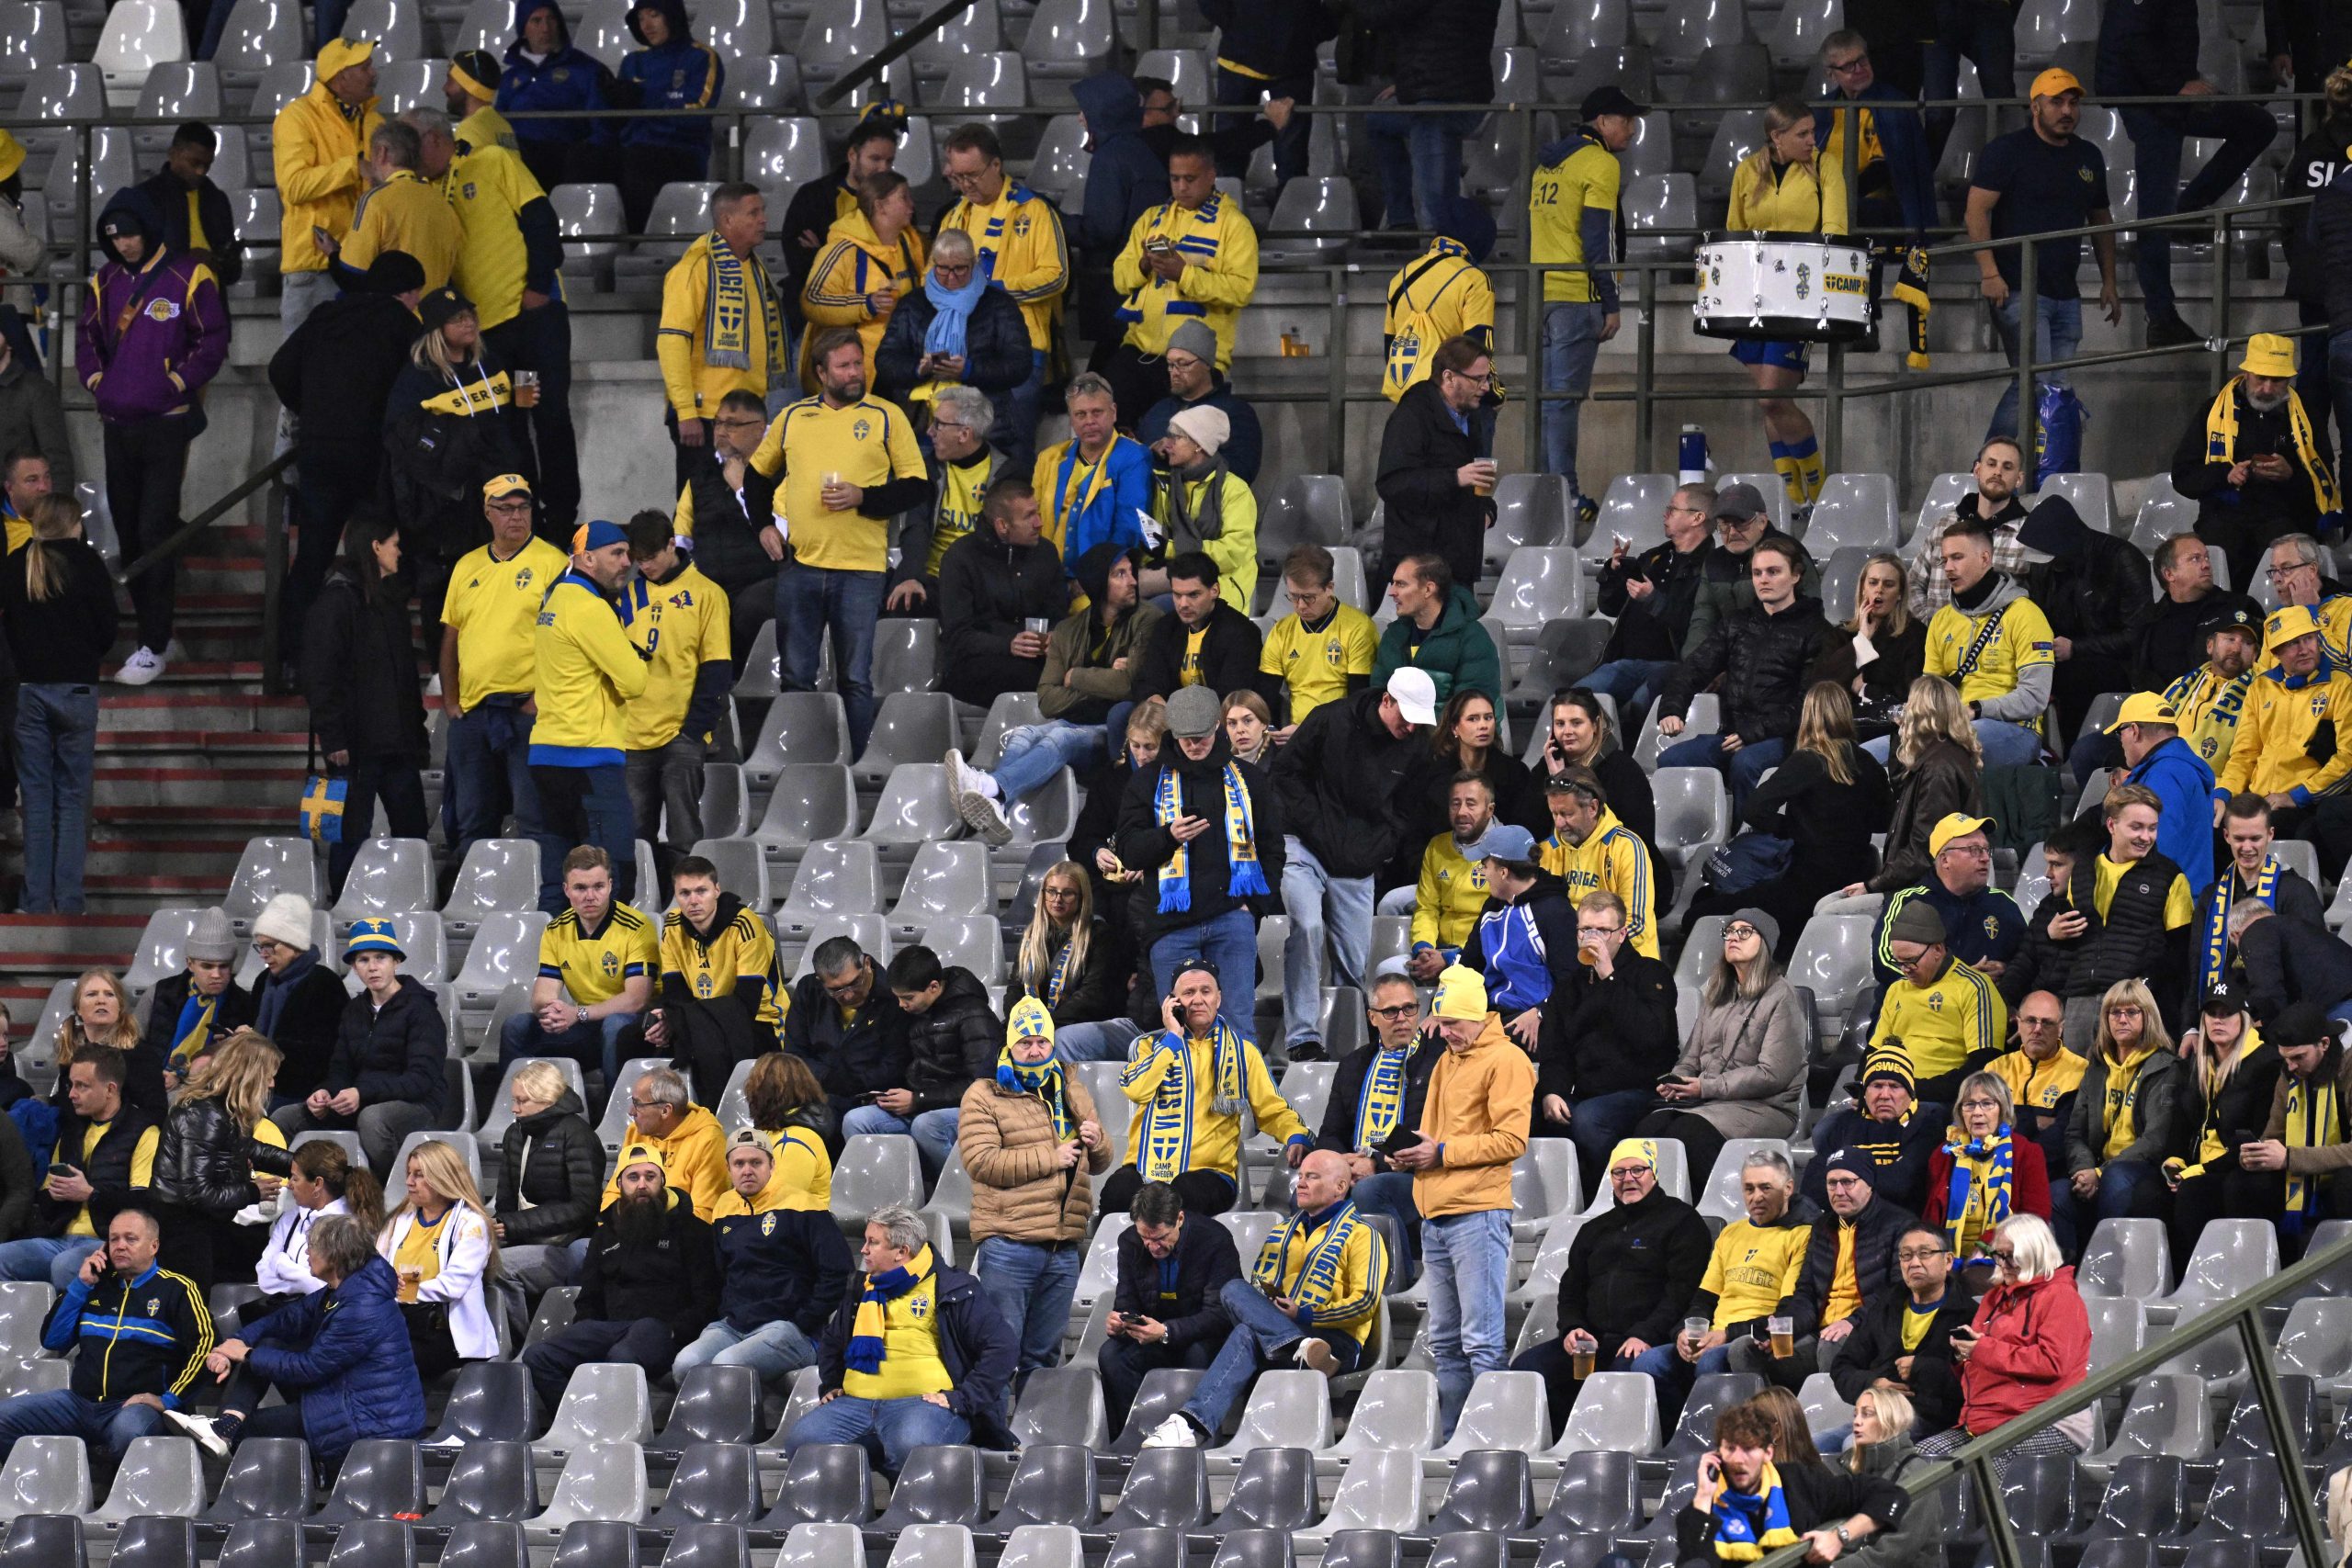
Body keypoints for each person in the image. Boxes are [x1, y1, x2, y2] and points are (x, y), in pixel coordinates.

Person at [748, 330, 930, 757]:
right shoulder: (793, 417)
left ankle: (857, 762)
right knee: (795, 674)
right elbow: (757, 475)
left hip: (861, 569)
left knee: (855, 678)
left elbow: (917, 486)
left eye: (858, 363)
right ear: (820, 373)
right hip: (800, 566)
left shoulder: (888, 416)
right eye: (845, 366)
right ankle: (801, 758)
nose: (856, 372)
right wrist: (763, 526)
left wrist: (864, 497)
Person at [78, 187, 225, 689]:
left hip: (165, 423)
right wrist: (99, 382)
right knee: (129, 531)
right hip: (118, 425)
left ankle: (154, 643)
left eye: (132, 234)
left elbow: (213, 340)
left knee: (155, 532)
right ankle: (150, 637)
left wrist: (176, 384)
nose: (125, 245)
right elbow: (87, 339)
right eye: (115, 238)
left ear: (150, 228)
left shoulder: (190, 275)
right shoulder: (104, 280)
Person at [1139, 1147, 1385, 1448]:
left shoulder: (1363, 1235)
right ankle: (1296, 1345)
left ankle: (1188, 1425)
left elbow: (1366, 1303)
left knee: (1243, 1324)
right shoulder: (1280, 1233)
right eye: (1301, 1175)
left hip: (1335, 1345)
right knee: (1234, 1292)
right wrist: (1270, 1304)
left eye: (1312, 1176)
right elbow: (1257, 1284)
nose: (1301, 1183)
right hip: (1282, 1337)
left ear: (1340, 1187)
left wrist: (1305, 1315)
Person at [412, 102, 575, 539]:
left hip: (532, 320)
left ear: (433, 139)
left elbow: (541, 218)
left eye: (414, 146)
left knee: (550, 417)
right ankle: (527, 520)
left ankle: (561, 517)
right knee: (511, 425)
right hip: (492, 333)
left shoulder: (492, 161)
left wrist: (538, 286)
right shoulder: (431, 188)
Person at [269, 253, 424, 672]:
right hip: (374, 456)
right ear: (408, 292)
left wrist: (313, 411)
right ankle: (379, 653)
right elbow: (418, 389)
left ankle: (291, 655)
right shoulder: (404, 324)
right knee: (380, 552)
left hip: (319, 450)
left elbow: (280, 367)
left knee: (313, 555)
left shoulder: (326, 315)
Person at [165, 1214, 424, 1468]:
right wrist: (230, 1347)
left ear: (334, 1256)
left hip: (370, 1419)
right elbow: (285, 1319)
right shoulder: (346, 1287)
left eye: (312, 1246)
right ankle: (225, 1425)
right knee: (269, 1344)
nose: (307, 1253)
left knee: (250, 1429)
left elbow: (309, 1368)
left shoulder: (362, 1306)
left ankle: (231, 1444)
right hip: (344, 1395)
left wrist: (246, 1354)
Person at [949, 544, 1159, 846]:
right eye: (1120, 574)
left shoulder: (1147, 619)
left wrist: (1076, 677)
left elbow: (1128, 685)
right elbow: (1047, 700)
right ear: (1100, 583)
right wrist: (1103, 681)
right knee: (1021, 733)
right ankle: (998, 805)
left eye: (1131, 572)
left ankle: (992, 785)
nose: (1133, 581)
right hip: (1073, 721)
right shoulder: (1068, 630)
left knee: (1060, 738)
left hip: (1112, 731)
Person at [1271, 668, 1433, 1059]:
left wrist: (1379, 845)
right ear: (1386, 701)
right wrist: (1317, 826)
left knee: (1354, 963)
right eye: (1405, 716)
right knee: (1305, 927)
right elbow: (1285, 774)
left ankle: (1353, 1047)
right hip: (1304, 844)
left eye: (1417, 720)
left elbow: (1411, 807)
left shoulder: (1417, 744)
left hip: (1358, 859)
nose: (1410, 727)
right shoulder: (1331, 718)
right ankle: (1302, 1038)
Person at [1114, 688, 1288, 1049]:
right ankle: (1189, 1106)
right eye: (1186, 739)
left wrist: (1253, 907)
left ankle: (1239, 1106)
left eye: (1202, 737)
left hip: (1231, 920)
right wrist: (1167, 836)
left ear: (1217, 728)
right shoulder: (1146, 782)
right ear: (1173, 736)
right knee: (1179, 1034)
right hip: (1170, 929)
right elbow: (1129, 852)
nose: (1195, 745)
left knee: (1239, 1028)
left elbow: (1273, 848)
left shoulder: (1249, 780)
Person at [1402, 964, 1536, 1435]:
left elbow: (1511, 1141)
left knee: (1481, 1341)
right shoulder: (1446, 1059)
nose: (1448, 1032)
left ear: (1478, 1015)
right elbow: (1436, 1136)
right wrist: (1414, 1154)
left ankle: (1493, 1441)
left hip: (1478, 1213)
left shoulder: (1507, 1061)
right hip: (1435, 1213)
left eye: (1455, 1023)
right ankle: (1457, 1439)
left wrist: (1439, 1153)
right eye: (1444, 1022)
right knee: (1445, 1341)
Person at [2097, 0, 2278, 347]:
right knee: (2155, 211)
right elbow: (2132, 38)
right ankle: (2161, 318)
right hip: (2147, 101)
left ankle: (2189, 210)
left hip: (2167, 96)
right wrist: (2177, 83)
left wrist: (2182, 83)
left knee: (2258, 124)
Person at [789, 1203, 1018, 1472]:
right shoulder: (860, 1289)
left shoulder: (952, 1287)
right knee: (802, 1442)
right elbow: (831, 1341)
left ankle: (910, 1511)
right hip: (855, 1403)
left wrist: (963, 1398)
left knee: (911, 1446)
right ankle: (845, 1513)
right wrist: (831, 1385)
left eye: (873, 1243)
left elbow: (1003, 1347)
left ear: (901, 1251)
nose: (863, 1250)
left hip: (923, 1405)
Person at [1511, 1136, 1710, 1434]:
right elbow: (1571, 1288)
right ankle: (1556, 1451)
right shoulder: (1594, 1229)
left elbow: (1682, 1292)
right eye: (1619, 1172)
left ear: (1653, 1173)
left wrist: (1645, 1334)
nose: (1628, 1179)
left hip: (1646, 1340)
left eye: (1637, 1170)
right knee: (1527, 1371)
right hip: (1591, 1341)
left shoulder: (1682, 1222)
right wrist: (1572, 1328)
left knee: (1621, 1383)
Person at [1965, 70, 2121, 441]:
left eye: (2073, 102)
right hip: (2016, 286)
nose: (2066, 110)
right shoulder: (2007, 151)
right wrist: (1989, 273)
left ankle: (2041, 474)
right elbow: (1975, 210)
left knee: (2056, 387)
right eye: (2057, 102)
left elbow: (2101, 220)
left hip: (2065, 291)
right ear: (2035, 107)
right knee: (2035, 382)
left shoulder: (2088, 156)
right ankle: (1989, 467)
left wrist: (2109, 281)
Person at [959, 999, 1112, 1374]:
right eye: (1025, 1042)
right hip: (1010, 1242)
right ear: (1010, 1046)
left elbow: (1101, 1163)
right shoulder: (984, 1093)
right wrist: (1050, 1157)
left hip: (1063, 1246)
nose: (1035, 1050)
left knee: (1044, 1358)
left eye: (1042, 1042)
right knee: (1000, 1353)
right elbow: (981, 1162)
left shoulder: (1071, 1088)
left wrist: (1099, 1142)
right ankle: (993, 1432)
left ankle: (1033, 1431)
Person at [1102, 959, 1311, 1216]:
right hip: (1146, 1168)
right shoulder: (1148, 1046)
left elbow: (1271, 1108)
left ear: (1218, 999)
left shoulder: (1243, 1053)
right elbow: (1137, 1090)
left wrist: (1295, 1135)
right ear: (1173, 1003)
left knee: (1181, 1194)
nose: (1198, 999)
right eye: (1188, 993)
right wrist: (1171, 1041)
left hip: (1209, 1173)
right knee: (1117, 1192)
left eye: (1206, 991)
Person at [0, 1208, 210, 1463]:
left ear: (154, 1245)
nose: (120, 1246)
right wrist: (80, 1285)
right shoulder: (94, 1285)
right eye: (114, 1239)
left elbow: (205, 1348)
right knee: (4, 1419)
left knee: (128, 1431)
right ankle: (58, 1480)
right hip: (80, 1403)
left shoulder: (178, 1289)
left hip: (134, 1408)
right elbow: (53, 1340)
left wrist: (169, 1399)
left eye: (130, 1239)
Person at [519, 1144, 718, 1410]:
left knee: (621, 1354)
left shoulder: (692, 1230)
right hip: (610, 1329)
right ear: (621, 1183)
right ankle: (579, 1420)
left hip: (660, 1330)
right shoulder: (606, 1234)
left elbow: (707, 1298)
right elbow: (589, 1297)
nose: (642, 1185)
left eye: (651, 1177)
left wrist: (676, 1331)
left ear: (663, 1181)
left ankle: (609, 1428)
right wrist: (587, 1332)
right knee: (538, 1356)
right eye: (633, 1177)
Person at [435, 476, 565, 874]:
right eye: (506, 508)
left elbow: (566, 636)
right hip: (474, 714)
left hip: (526, 711)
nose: (516, 516)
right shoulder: (467, 565)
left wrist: (540, 698)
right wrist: (452, 702)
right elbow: (451, 638)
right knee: (472, 819)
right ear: (488, 512)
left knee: (535, 818)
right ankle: (479, 900)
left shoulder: (553, 562)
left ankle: (539, 902)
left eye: (523, 508)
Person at [383, 289, 528, 642]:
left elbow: (506, 427)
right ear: (436, 329)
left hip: (501, 492)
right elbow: (403, 442)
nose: (469, 323)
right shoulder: (418, 377)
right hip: (450, 502)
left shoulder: (489, 363)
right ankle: (442, 669)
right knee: (447, 587)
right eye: (457, 318)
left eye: (471, 315)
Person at [1722, 99, 1845, 511]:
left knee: (1771, 399)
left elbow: (1835, 226)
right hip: (1753, 294)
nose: (1814, 141)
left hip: (1799, 293)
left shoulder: (1825, 167)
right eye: (1803, 134)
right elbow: (1733, 232)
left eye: (1814, 132)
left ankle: (1819, 487)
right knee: (1769, 401)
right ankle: (1794, 497)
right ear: (1777, 137)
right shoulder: (1747, 170)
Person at [1707, 683, 1890, 957]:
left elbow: (1754, 809)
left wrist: (1791, 829)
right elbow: (1885, 821)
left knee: (1702, 909)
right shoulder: (1868, 762)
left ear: (1809, 716)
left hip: (1805, 884)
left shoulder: (1807, 760)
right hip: (1854, 879)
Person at [1658, 537, 1842, 808]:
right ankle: (1690, 836)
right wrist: (1672, 708)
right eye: (1757, 573)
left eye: (1773, 572)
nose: (1763, 580)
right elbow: (1694, 668)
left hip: (1787, 739)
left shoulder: (1819, 632)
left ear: (1796, 576)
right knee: (1671, 760)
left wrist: (1754, 733)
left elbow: (1808, 703)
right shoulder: (1738, 623)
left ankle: (1748, 839)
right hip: (1734, 734)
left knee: (1747, 764)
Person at [301, 515, 428, 901]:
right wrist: (333, 736)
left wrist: (416, 730)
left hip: (398, 744)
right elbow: (319, 676)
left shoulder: (387, 601)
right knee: (349, 837)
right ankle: (342, 907)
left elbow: (404, 677)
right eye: (394, 543)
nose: (399, 551)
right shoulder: (337, 601)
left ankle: (410, 903)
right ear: (375, 546)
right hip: (354, 748)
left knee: (414, 834)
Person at [1, 496, 116, 913]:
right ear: (73, 524)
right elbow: (108, 628)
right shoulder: (87, 563)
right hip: (78, 690)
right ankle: (68, 901)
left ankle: (35, 901)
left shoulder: (17, 563)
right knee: (71, 799)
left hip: (30, 691)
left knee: (35, 800)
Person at [1102, 136, 1259, 432]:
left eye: (1190, 178)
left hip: (1194, 363)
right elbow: (1119, 278)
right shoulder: (1151, 219)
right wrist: (1143, 264)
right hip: (1139, 351)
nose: (1181, 187)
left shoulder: (1235, 226)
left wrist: (1183, 274)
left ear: (1211, 177)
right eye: (1175, 178)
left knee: (1179, 447)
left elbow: (1241, 290)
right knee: (1108, 427)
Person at [1644, 1150, 1815, 1419]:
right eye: (1748, 1188)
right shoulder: (1730, 1233)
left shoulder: (1802, 1235)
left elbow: (1788, 1311)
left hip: (1751, 1338)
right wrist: (1684, 1333)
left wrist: (1728, 1334)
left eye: (1765, 1188)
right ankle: (1678, 1432)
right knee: (1648, 1363)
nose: (1755, 1197)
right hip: (1714, 1335)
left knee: (1712, 1361)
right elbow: (1704, 1299)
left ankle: (1716, 1442)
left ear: (1788, 1189)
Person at [1638, 911, 1807, 1184]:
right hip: (1711, 1102)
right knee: (1649, 1128)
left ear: (1765, 943)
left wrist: (1705, 1087)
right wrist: (1677, 1081)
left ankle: (1710, 1211)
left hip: (1766, 1107)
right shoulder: (1718, 992)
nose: (1733, 937)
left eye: (1744, 932)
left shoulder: (1781, 996)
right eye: (1729, 931)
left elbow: (1771, 1074)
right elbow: (1691, 1056)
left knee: (1689, 1132)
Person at [673, 1130, 852, 1388]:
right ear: (728, 1168)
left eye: (756, 1163)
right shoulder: (723, 1206)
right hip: (734, 1326)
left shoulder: (805, 1206)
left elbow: (838, 1272)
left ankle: (735, 1429)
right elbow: (722, 1273)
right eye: (739, 1164)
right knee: (685, 1365)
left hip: (788, 1328)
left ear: (772, 1165)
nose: (747, 1170)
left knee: (727, 1365)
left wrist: (803, 1320)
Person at [529, 520, 649, 905]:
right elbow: (634, 681)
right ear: (586, 558)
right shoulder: (588, 607)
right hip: (588, 758)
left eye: (628, 553)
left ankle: (552, 961)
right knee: (611, 878)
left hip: (548, 757)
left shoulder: (556, 599)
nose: (627, 562)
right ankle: (603, 965)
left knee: (559, 881)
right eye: (616, 553)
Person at [1913, 1215, 2092, 1472]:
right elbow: (1978, 1361)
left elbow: (2054, 1363)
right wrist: (1962, 1356)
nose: (2004, 1264)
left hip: (2048, 1421)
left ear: (2035, 1252)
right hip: (1987, 1422)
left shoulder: (2061, 1297)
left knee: (1979, 1468)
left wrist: (1982, 1350)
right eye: (1999, 1255)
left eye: (2012, 1256)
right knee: (1918, 1462)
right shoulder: (1994, 1297)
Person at [1532, 89, 1639, 515]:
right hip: (1578, 296)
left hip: (1542, 294)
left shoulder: (1548, 164)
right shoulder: (1601, 163)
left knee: (1548, 399)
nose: (1632, 128)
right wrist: (1611, 299)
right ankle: (1567, 495)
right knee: (1562, 400)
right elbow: (1600, 238)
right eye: (1625, 119)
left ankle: (1546, 492)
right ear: (1601, 121)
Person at [933, 125, 1068, 463]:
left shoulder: (1035, 211)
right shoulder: (955, 215)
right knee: (959, 449)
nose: (965, 184)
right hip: (962, 350)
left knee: (1008, 446)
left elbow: (1056, 276)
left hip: (1017, 348)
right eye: (958, 176)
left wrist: (999, 291)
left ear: (996, 165)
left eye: (973, 175)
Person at [273, 922, 447, 1177]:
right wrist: (324, 1093)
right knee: (284, 1118)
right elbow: (340, 1069)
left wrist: (361, 1093)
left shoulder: (422, 1011)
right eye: (363, 960)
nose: (372, 967)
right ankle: (282, 1195)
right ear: (354, 967)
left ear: (396, 961)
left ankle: (390, 1190)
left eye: (381, 958)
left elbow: (420, 1080)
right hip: (360, 1102)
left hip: (415, 1105)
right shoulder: (353, 1010)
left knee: (372, 1119)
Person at [2174, 334, 2342, 589]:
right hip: (2224, 514)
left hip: (2282, 514)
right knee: (2215, 555)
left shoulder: (2306, 416)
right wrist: (2226, 475)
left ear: (2289, 379)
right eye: (2260, 378)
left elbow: (2323, 484)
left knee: (2290, 556)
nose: (2266, 389)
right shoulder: (2213, 411)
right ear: (2246, 373)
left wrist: (2290, 476)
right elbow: (2183, 476)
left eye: (2276, 381)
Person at [617, 512, 732, 882]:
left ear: (672, 544)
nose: (646, 566)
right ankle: (641, 905)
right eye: (639, 559)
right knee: (635, 836)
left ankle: (684, 907)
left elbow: (716, 670)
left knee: (684, 835)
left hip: (681, 733)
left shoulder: (707, 594)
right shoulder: (626, 595)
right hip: (631, 734)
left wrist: (694, 732)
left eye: (652, 557)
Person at [1538, 887, 1678, 1187]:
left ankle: (1615, 1194)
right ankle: (1560, 1202)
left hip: (1643, 1089)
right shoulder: (1568, 986)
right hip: (1587, 1092)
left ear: (1622, 934)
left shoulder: (1651, 973)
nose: (1593, 938)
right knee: (1532, 1113)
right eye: (1586, 929)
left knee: (1590, 1119)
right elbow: (1554, 1049)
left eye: (1602, 930)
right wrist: (1552, 1092)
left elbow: (1652, 1037)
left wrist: (1608, 976)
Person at [1815, 32, 1938, 371]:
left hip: (1886, 206)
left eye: (1862, 61)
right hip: (1836, 204)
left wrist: (1838, 197)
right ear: (1831, 74)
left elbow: (1887, 170)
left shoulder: (1892, 105)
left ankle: (1865, 320)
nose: (1858, 70)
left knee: (1856, 220)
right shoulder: (1822, 111)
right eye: (1848, 66)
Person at [1742, 1147, 1915, 1387]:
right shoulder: (1822, 1226)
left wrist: (1852, 1322)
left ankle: (1828, 1421)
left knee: (1831, 1345)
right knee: (1747, 1349)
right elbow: (1806, 1292)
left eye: (1848, 1182)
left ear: (1869, 1184)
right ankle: (1769, 1418)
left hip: (1868, 1334)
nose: (1839, 1191)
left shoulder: (1900, 1224)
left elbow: (1899, 1290)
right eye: (1832, 1183)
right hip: (1820, 1332)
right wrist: (1785, 1326)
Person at [1675, 1394, 1911, 1562]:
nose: (1738, 1459)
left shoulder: (1799, 1482)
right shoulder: (1707, 1502)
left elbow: (1891, 1495)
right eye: (1730, 1448)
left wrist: (1840, 1536)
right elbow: (1692, 1560)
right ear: (1719, 1453)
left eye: (1749, 1449)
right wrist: (1704, 1497)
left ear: (1768, 1452)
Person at [659, 185, 786, 488]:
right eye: (753, 213)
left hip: (748, 413)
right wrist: (686, 412)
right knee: (701, 507)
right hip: (705, 415)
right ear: (727, 220)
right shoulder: (696, 267)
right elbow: (671, 340)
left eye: (763, 211)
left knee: (744, 506)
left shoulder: (755, 269)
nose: (763, 219)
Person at [0, 1049, 156, 1294]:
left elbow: (143, 1203)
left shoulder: (143, 1132)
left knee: (65, 1266)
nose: (71, 1094)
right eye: (71, 1084)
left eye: (82, 1086)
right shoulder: (71, 1131)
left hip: (108, 1242)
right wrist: (55, 1194)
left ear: (110, 1089)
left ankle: (68, 1331)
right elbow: (43, 1197)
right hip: (60, 1238)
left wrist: (90, 1194)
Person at [1314, 974, 1439, 1277]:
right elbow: (1331, 1132)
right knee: (1306, 1193)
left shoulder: (1438, 1059)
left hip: (1419, 1175)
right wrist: (1340, 1166)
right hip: (1356, 1169)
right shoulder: (1353, 1064)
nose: (1402, 1018)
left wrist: (1376, 1163)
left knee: (1371, 1191)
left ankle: (1396, 1280)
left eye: (1409, 1009)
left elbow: (1422, 1129)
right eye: (1390, 1011)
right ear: (1372, 1017)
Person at [2213, 604, 2352, 874]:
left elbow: (2347, 758)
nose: (2304, 649)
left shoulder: (2341, 685)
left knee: (2282, 829)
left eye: (2309, 638)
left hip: (2306, 800)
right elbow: (2244, 754)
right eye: (2292, 644)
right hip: (2258, 798)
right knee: (2212, 825)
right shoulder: (2260, 688)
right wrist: (2223, 793)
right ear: (2276, 652)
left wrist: (2296, 795)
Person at [502, 846, 656, 1086]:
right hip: (585, 1025)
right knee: (517, 1026)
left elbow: (636, 1000)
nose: (590, 896)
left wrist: (578, 1013)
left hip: (634, 1027)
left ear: (610, 886)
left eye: (598, 886)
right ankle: (518, 1112)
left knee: (614, 1025)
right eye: (580, 888)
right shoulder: (556, 930)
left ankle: (614, 1118)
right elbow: (542, 994)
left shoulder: (636, 926)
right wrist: (552, 1010)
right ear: (566, 890)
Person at [844, 946, 999, 1180]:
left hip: (966, 1110)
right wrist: (891, 1095)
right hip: (921, 1105)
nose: (901, 1005)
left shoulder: (974, 1014)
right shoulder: (915, 1013)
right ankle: (891, 1195)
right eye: (898, 997)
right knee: (856, 1120)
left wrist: (920, 1100)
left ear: (934, 987)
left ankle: (961, 1190)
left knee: (927, 1126)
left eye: (908, 998)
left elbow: (982, 1084)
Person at [152, 1031, 288, 1293]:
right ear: (249, 1074)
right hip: (184, 1235)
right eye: (269, 1075)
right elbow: (198, 1193)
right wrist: (253, 1191)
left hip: (201, 1227)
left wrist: (299, 1164)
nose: (271, 1085)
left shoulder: (220, 1111)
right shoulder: (205, 1115)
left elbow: (249, 1148)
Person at [643, 858, 785, 1107]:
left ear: (716, 890)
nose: (693, 901)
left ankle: (714, 1119)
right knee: (634, 1036)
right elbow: (675, 993)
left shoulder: (746, 926)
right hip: (703, 1019)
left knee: (708, 1048)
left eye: (701, 891)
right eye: (684, 893)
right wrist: (669, 1020)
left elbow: (744, 1005)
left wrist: (682, 1018)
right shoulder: (673, 926)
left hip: (762, 1024)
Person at [2015, 497, 2156, 745]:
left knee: (2073, 678)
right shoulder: (2047, 566)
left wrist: (2075, 648)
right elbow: (2037, 616)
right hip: (2063, 657)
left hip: (2118, 663)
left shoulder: (2122, 559)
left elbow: (2138, 634)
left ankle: (2073, 755)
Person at [1101, 1180, 1240, 1431]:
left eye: (1162, 1238)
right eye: (1146, 1238)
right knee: (1112, 1354)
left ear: (1180, 1218)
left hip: (1204, 1336)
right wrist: (1121, 1322)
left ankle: (1192, 1434)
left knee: (1197, 1354)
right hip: (1154, 1336)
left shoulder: (1215, 1240)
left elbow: (1219, 1316)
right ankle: (1134, 1432)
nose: (1153, 1247)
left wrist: (1166, 1332)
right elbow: (1126, 1300)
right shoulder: (1130, 1242)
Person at [1356, 0, 1498, 231]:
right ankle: (1402, 222)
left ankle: (1439, 249)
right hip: (1461, 90)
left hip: (1438, 99)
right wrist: (1407, 84)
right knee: (1379, 119)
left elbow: (1378, 14)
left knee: (1435, 202)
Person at [2057, 978, 2180, 1248]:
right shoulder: (2097, 1066)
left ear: (2148, 1017)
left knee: (2116, 1178)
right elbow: (2075, 1132)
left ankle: (2108, 1273)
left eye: (2132, 1012)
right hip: (2099, 1168)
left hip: (2143, 1170)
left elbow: (2154, 1141)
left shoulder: (2165, 1067)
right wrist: (2084, 1169)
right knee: (2056, 1195)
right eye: (2115, 1012)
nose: (2122, 1019)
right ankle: (2066, 1276)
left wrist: (2100, 1174)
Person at [273, 39, 383, 333]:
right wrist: (352, 167)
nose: (373, 72)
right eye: (365, 67)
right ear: (340, 76)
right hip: (315, 267)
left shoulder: (374, 121)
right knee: (303, 372)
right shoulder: (297, 118)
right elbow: (294, 186)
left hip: (364, 267)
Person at [1585, 484, 1718, 728]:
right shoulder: (1652, 558)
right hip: (1625, 662)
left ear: (1697, 518)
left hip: (1671, 666)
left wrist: (1653, 599)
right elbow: (1609, 607)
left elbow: (1698, 624)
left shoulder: (1712, 567)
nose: (1665, 515)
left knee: (1637, 706)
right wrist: (1614, 573)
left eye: (1672, 509)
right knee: (1577, 699)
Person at [2164, 982, 2280, 1258]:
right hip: (2197, 1168)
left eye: (2226, 1013)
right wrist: (2173, 1161)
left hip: (2238, 1167)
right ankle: (2174, 1282)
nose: (2218, 1020)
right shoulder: (2195, 1065)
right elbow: (2180, 1122)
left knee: (2197, 1192)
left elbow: (2253, 1138)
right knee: (2147, 1192)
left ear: (2244, 1018)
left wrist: (2198, 1171)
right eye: (2211, 1013)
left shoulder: (2266, 1063)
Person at [1825, 1228, 1971, 1446]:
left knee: (1856, 1446)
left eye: (1924, 1253)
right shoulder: (1885, 1306)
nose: (1914, 1262)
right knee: (1813, 1446)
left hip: (1932, 1420)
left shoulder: (1968, 1314)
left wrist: (1920, 1367)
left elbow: (1969, 1383)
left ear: (1948, 1260)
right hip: (1879, 1412)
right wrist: (1873, 1384)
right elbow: (1842, 1366)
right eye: (1906, 1255)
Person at [873, 231, 1032, 428]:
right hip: (920, 419)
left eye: (959, 269)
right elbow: (885, 360)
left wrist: (969, 370)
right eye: (943, 269)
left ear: (973, 264)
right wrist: (918, 368)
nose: (951, 277)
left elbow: (1020, 364)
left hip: (984, 421)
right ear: (933, 263)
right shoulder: (912, 304)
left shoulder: (999, 305)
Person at [1374, 338, 1497, 592]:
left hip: (1460, 563)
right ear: (1449, 377)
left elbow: (1473, 479)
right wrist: (1454, 478)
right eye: (1478, 379)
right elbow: (1391, 483)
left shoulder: (1471, 416)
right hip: (1419, 570)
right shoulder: (1411, 416)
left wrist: (1486, 510)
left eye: (1487, 379)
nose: (1486, 387)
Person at [938, 478, 1068, 711]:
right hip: (975, 663)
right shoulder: (960, 558)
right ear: (1002, 525)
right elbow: (957, 635)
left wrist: (1054, 637)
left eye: (1037, 512)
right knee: (1035, 681)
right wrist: (1008, 644)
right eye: (1029, 516)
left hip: (1037, 660)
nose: (1039, 522)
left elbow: (1058, 614)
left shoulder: (1046, 553)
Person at [376, 1141, 500, 1378]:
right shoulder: (398, 1220)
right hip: (397, 1320)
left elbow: (452, 1286)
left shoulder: (471, 1224)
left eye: (419, 1175)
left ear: (443, 1178)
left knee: (385, 1359)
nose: (409, 1182)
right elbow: (376, 1270)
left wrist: (401, 1289)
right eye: (409, 1173)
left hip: (444, 1333)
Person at [2194, 794, 2326, 1008]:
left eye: (2255, 838)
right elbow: (2196, 964)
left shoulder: (2297, 892)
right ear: (2226, 836)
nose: (2247, 847)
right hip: (2221, 1016)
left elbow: (2313, 968)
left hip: (2279, 1020)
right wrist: (2190, 1027)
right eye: (2239, 839)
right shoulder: (2210, 896)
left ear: (2270, 835)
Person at [802, 171, 927, 393]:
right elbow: (813, 301)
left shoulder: (910, 245)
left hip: (900, 367)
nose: (912, 204)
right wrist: (865, 304)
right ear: (880, 206)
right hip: (853, 374)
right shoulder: (843, 249)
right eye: (904, 197)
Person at [1872, 900, 2007, 1107]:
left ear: (1937, 949)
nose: (1905, 969)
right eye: (1898, 962)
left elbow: (1983, 1066)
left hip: (1942, 1102)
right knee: (1828, 1130)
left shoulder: (1975, 987)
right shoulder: (1897, 989)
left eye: (1910, 960)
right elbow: (1874, 1052)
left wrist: (1913, 1091)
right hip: (1893, 1097)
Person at [783, 105, 905, 331]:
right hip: (819, 322)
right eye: (875, 159)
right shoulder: (812, 197)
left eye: (889, 161)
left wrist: (823, 251)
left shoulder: (899, 201)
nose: (883, 168)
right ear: (852, 155)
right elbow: (798, 263)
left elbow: (899, 256)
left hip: (880, 320)